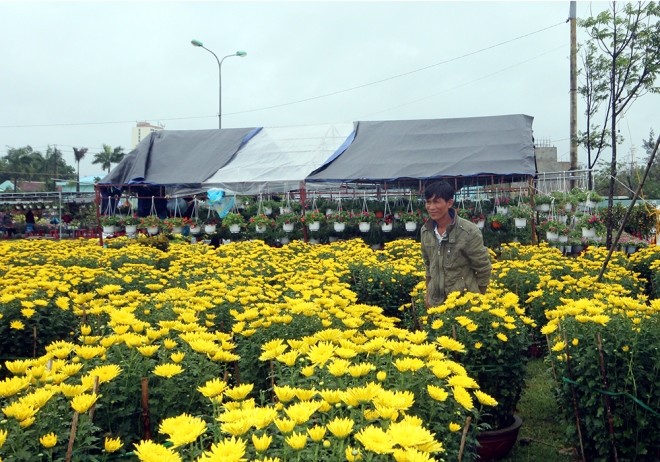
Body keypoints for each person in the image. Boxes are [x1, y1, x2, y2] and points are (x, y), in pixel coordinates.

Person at [420, 181, 492, 307]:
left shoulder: (468, 231)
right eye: (428, 202)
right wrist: (428, 295)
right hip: (436, 302)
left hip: (463, 303)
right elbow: (428, 265)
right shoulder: (426, 231)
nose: (431, 207)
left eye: (436, 201)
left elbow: (483, 268)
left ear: (449, 203)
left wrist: (478, 297)